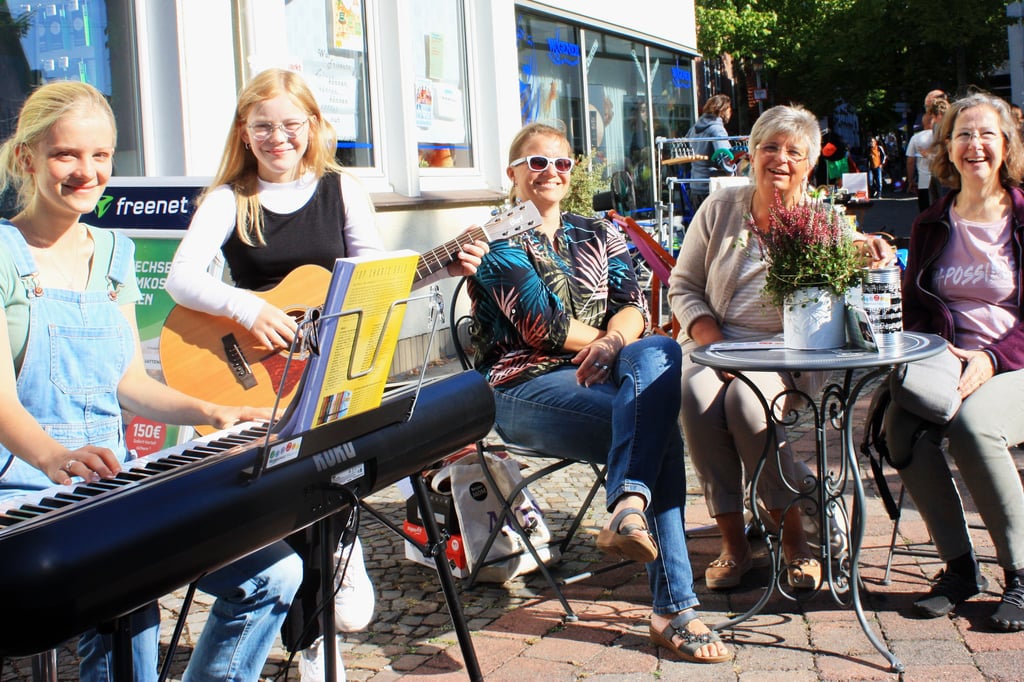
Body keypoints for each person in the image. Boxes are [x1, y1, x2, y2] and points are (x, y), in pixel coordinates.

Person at [165, 68, 487, 680]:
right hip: (257, 375)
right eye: (263, 126)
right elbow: (183, 276)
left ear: (313, 125)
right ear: (244, 131)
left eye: (290, 124)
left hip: (331, 367)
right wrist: (249, 307)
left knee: (323, 480)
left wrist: (441, 268)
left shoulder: (341, 190)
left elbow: (374, 278)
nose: (277, 137)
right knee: (281, 494)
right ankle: (313, 640)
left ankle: (337, 554)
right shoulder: (231, 198)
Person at [0, 80, 302, 681]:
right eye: (66, 155)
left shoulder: (116, 250)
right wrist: (57, 457)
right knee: (126, 590)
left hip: (112, 483)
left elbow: (129, 383)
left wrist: (212, 413)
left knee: (277, 572)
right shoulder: (5, 253)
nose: (86, 172)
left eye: (100, 156)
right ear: (27, 159)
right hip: (25, 489)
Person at [467, 122, 731, 664]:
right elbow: (545, 327)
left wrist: (615, 342)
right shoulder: (495, 240)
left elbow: (636, 305)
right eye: (536, 163)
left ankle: (628, 502)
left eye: (561, 163)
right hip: (525, 385)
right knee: (654, 430)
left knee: (660, 355)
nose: (550, 173)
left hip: (608, 371)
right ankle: (675, 609)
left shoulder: (598, 231)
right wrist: (612, 341)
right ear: (512, 172)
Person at [668, 104, 894, 593]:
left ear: (810, 163)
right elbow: (683, 285)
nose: (780, 160)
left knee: (749, 405)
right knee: (695, 399)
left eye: (794, 151)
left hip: (785, 357)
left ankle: (794, 538)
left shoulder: (822, 221)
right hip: (715, 341)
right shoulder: (721, 208)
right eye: (770, 147)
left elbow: (856, 250)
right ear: (751, 154)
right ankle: (734, 544)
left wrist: (870, 246)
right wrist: (716, 343)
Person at [883, 92, 1024, 632]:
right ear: (947, 147)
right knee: (902, 428)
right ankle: (961, 569)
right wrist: (930, 355)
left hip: (1013, 363)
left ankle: (1019, 573)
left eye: (987, 133)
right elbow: (917, 309)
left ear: (1005, 144)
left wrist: (991, 358)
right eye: (964, 134)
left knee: (972, 428)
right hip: (948, 361)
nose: (975, 145)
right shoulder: (931, 223)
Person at [684, 94, 736, 209]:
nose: (730, 112)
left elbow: (686, 147)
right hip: (711, 187)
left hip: (695, 186)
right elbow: (725, 159)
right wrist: (734, 170)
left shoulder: (694, 129)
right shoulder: (717, 130)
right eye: (729, 109)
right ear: (722, 109)